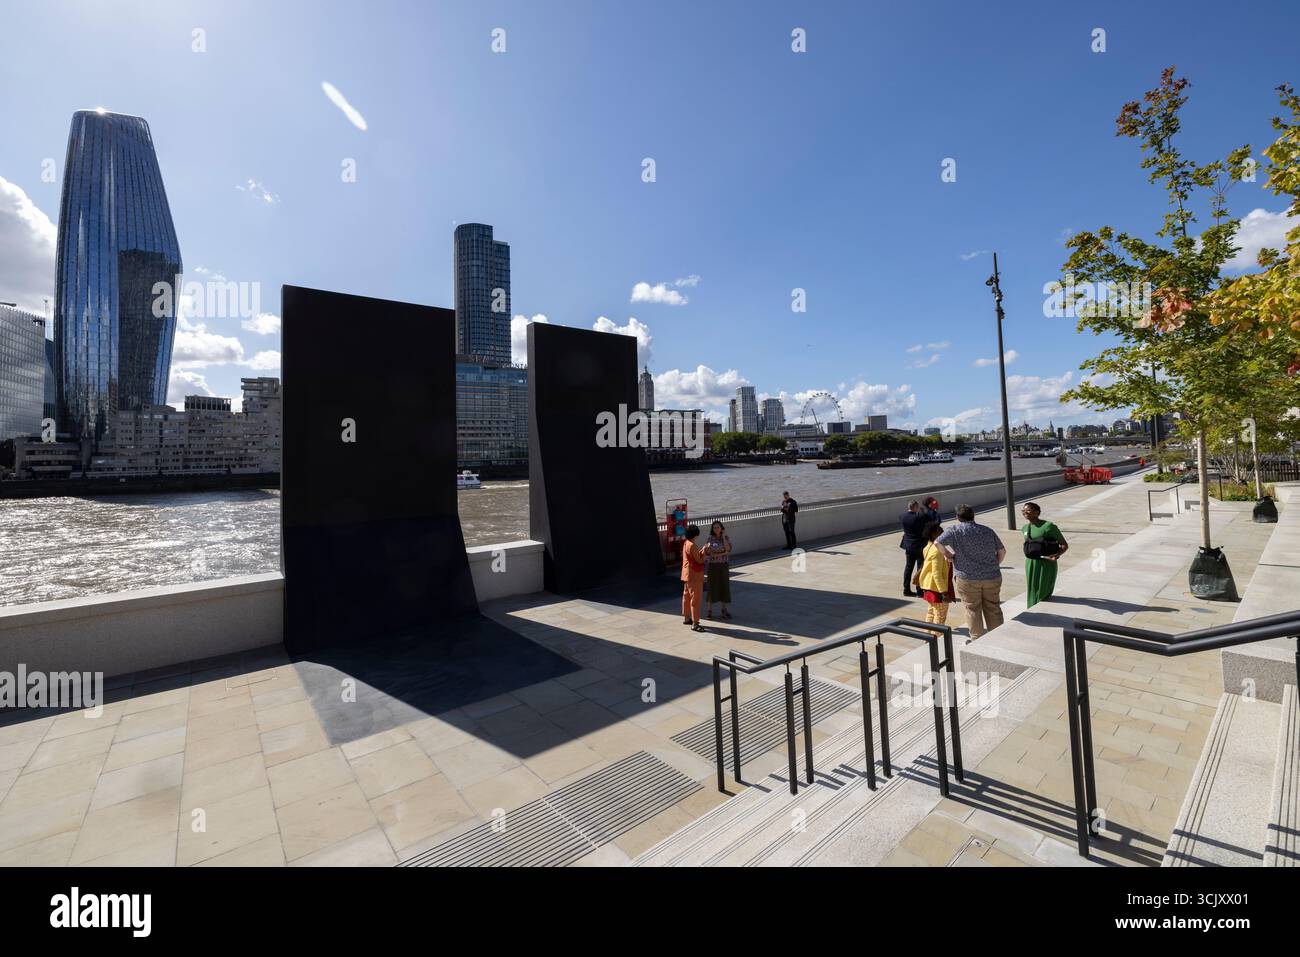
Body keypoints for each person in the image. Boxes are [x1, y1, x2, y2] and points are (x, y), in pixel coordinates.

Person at [936, 504, 1007, 641]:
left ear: (957, 517)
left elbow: (937, 543)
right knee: (993, 607)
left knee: (972, 609)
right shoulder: (987, 530)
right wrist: (995, 564)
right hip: (992, 576)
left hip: (967, 578)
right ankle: (997, 638)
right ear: (973, 516)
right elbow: (1002, 551)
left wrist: (947, 554)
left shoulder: (954, 530)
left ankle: (977, 639)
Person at [1021, 501, 1068, 608]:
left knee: (1044, 590)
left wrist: (1057, 555)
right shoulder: (1024, 528)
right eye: (1023, 510)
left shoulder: (1048, 526)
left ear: (1037, 512)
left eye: (1028, 510)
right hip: (1031, 563)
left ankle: (1043, 610)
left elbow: (1064, 545)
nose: (1025, 512)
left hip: (1046, 563)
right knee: (1032, 588)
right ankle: (1032, 609)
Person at [912, 521, 955, 624]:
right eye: (940, 530)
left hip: (929, 586)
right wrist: (944, 592)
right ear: (933, 534)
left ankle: (928, 633)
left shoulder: (928, 546)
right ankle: (937, 633)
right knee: (940, 616)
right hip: (937, 589)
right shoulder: (937, 551)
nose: (943, 531)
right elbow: (937, 574)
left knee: (931, 613)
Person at [899, 500, 930, 597]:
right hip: (919, 546)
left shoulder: (902, 516)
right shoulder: (919, 517)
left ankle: (906, 590)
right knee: (920, 568)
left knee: (908, 568)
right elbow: (928, 519)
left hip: (908, 546)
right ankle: (919, 591)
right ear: (915, 507)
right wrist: (922, 511)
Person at [680, 524, 706, 632]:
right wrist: (704, 551)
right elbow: (699, 560)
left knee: (686, 597)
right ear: (695, 535)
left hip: (686, 574)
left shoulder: (686, 543)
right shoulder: (693, 545)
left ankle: (687, 618)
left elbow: (693, 557)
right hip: (694, 575)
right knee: (695, 599)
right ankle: (695, 623)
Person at [704, 521, 733, 620]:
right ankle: (709, 611)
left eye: (718, 527)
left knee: (724, 586)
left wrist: (723, 536)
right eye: (714, 528)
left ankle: (724, 610)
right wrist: (722, 553)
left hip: (723, 566)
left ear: (721, 528)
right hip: (713, 566)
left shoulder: (726, 538)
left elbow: (728, 549)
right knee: (712, 587)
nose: (716, 529)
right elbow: (709, 554)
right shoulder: (710, 539)